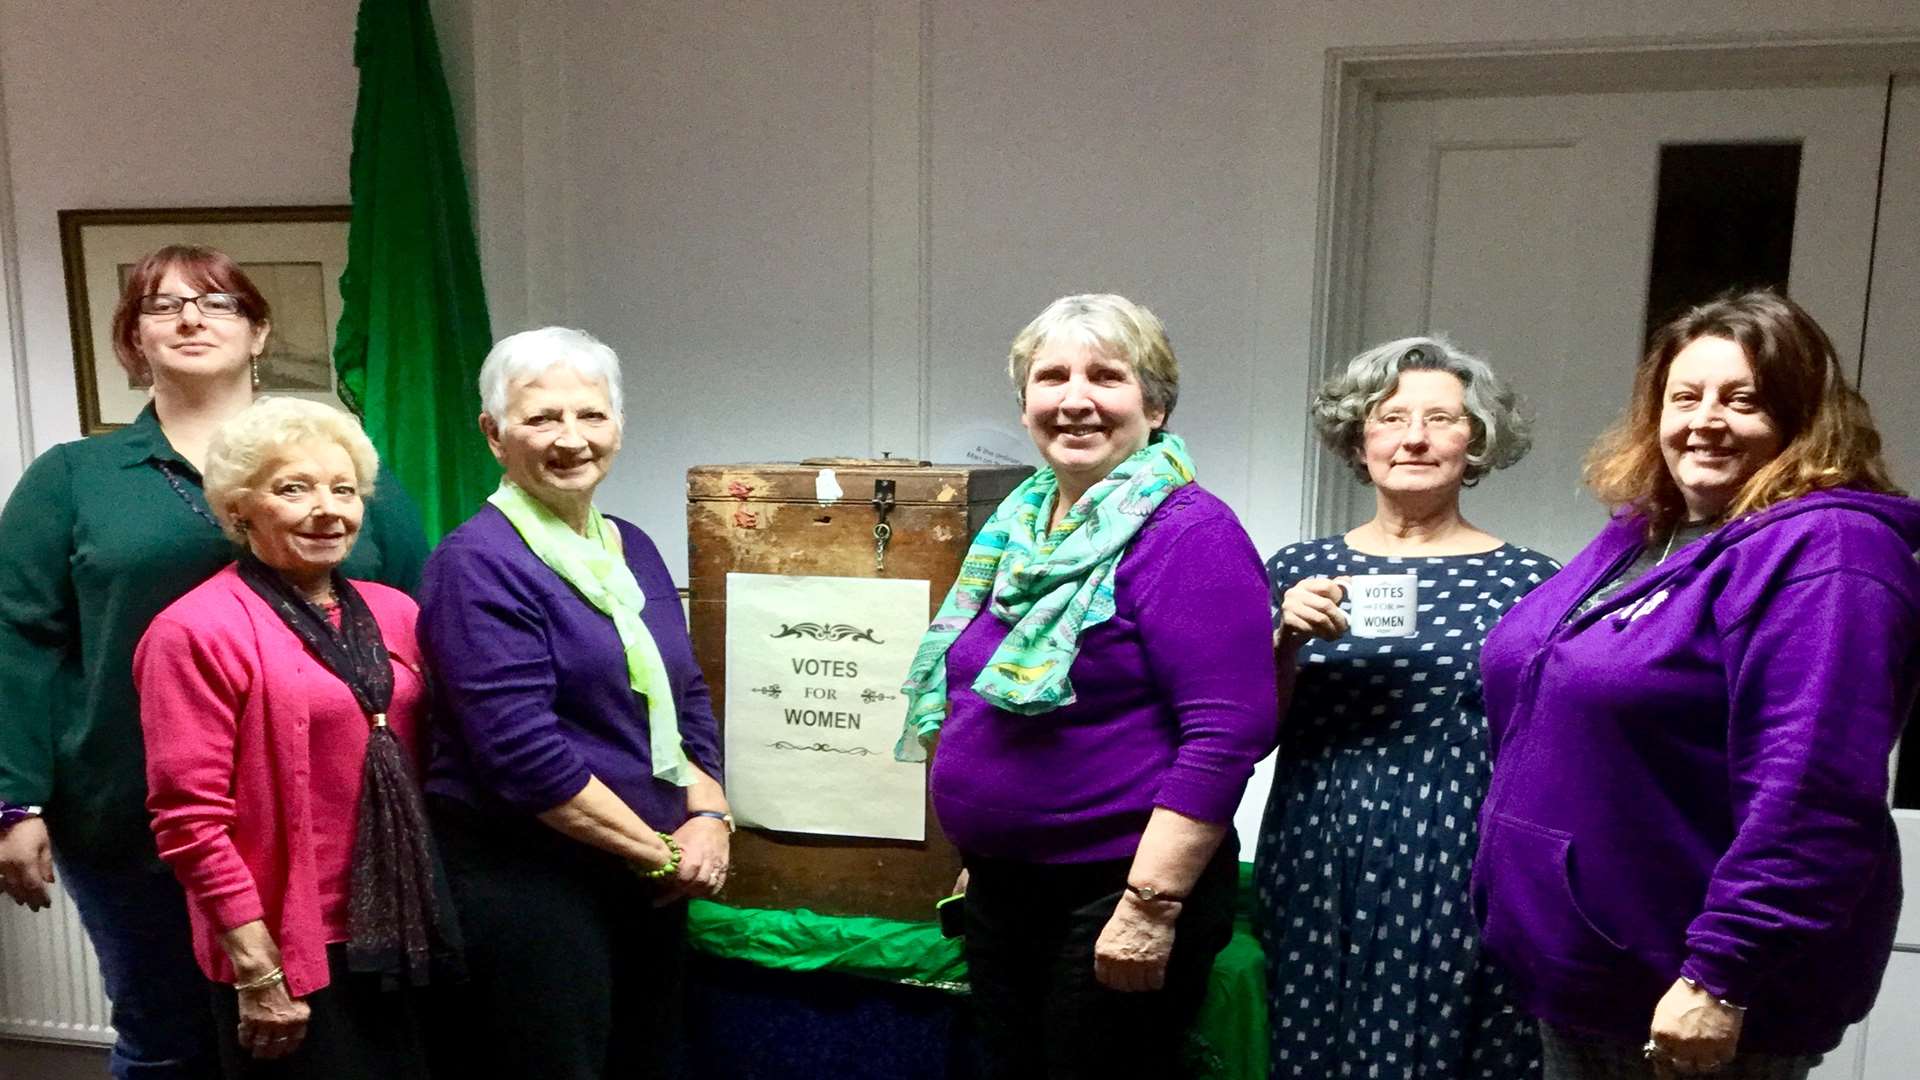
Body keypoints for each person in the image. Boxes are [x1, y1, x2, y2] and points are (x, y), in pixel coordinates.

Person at [0, 246, 428, 1079]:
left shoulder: (347, 467)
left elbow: (414, 623)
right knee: (169, 1042)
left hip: (334, 822)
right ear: (133, 340)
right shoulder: (75, 479)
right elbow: (17, 639)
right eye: (161, 307)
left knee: (330, 1044)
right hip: (134, 817)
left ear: (260, 330)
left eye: (217, 302)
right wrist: (14, 802)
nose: (190, 318)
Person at [1474, 290, 1920, 1079]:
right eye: (1686, 397)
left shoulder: (1832, 553)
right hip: (1585, 971)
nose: (1705, 420)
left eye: (1743, 400)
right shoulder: (1650, 532)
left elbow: (1813, 790)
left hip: (1689, 994)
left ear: (1803, 417)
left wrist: (1722, 974)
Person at [896, 293, 1278, 1079]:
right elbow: (981, 703)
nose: (1075, 399)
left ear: (1157, 404)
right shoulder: (1018, 528)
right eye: (1052, 377)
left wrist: (1150, 906)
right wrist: (987, 847)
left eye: (1106, 376)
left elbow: (1226, 732)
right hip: (1009, 886)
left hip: (1114, 893)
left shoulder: (1189, 533)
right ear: (1026, 402)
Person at [418, 326, 728, 1080]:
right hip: (532, 886)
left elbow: (682, 691)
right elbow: (524, 759)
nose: (571, 439)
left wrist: (711, 815)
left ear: (617, 426)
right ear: (493, 435)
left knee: (646, 1062)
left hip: (643, 875)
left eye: (590, 415)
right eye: (541, 418)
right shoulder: (476, 565)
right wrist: (661, 855)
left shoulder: (633, 546)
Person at [1253, 338, 1553, 1078]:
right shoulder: (1295, 570)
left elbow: (1547, 747)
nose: (1414, 437)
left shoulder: (1533, 582)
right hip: (1318, 849)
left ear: (1475, 440)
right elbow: (1248, 733)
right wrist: (1281, 639)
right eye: (1391, 418)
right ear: (1360, 436)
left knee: (1450, 1046)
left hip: (1457, 856)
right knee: (1309, 1040)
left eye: (1441, 419)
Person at [134, 398, 457, 1078]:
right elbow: (189, 823)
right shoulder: (194, 631)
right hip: (294, 944)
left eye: (344, 490)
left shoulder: (397, 613)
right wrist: (257, 970)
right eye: (294, 489)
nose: (328, 510)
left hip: (409, 924)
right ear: (239, 507)